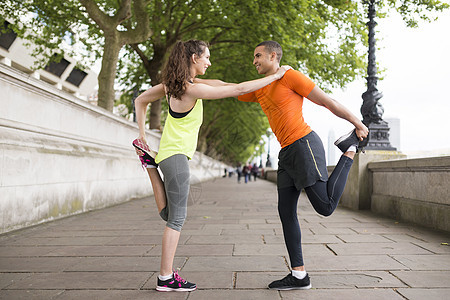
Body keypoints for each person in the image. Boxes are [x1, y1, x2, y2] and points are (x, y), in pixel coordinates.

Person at [196, 40, 368, 290]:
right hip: (286, 153)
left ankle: (350, 148)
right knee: (286, 212)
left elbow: (327, 102)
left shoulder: (290, 76)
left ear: (273, 55)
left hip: (304, 144)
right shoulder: (260, 87)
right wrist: (190, 80)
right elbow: (226, 86)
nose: (253, 61)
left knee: (325, 206)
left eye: (258, 56)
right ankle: (299, 275)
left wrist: (358, 123)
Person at [132, 39, 291, 292]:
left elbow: (141, 100)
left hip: (170, 155)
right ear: (194, 58)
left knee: (170, 215)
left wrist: (142, 135)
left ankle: (150, 163)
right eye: (206, 57)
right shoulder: (190, 89)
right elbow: (237, 90)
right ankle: (165, 277)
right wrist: (277, 76)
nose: (209, 61)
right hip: (176, 157)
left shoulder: (175, 86)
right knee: (176, 220)